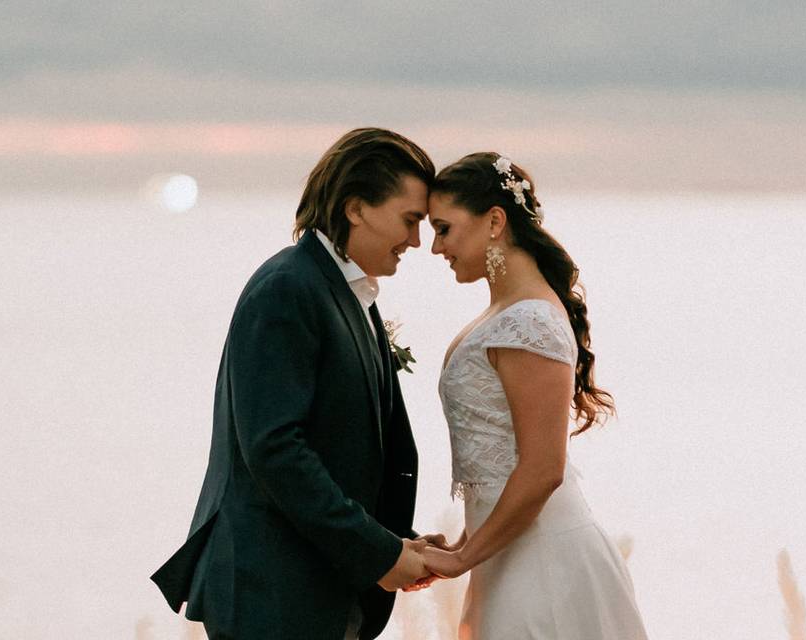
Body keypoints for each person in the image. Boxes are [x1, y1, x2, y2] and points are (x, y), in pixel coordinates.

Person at [150, 128, 441, 639]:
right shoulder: (287, 289)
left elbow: (342, 449)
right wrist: (377, 553)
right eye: (409, 220)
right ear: (356, 208)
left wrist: (399, 546)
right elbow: (276, 450)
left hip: (322, 590)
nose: (416, 241)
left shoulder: (348, 293)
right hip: (274, 595)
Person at [421, 153, 649, 639]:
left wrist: (462, 557)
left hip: (546, 566)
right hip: (507, 557)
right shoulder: (507, 313)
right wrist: (464, 543)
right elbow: (500, 458)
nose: (435, 247)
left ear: (495, 221)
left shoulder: (528, 322)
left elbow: (543, 468)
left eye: (444, 229)